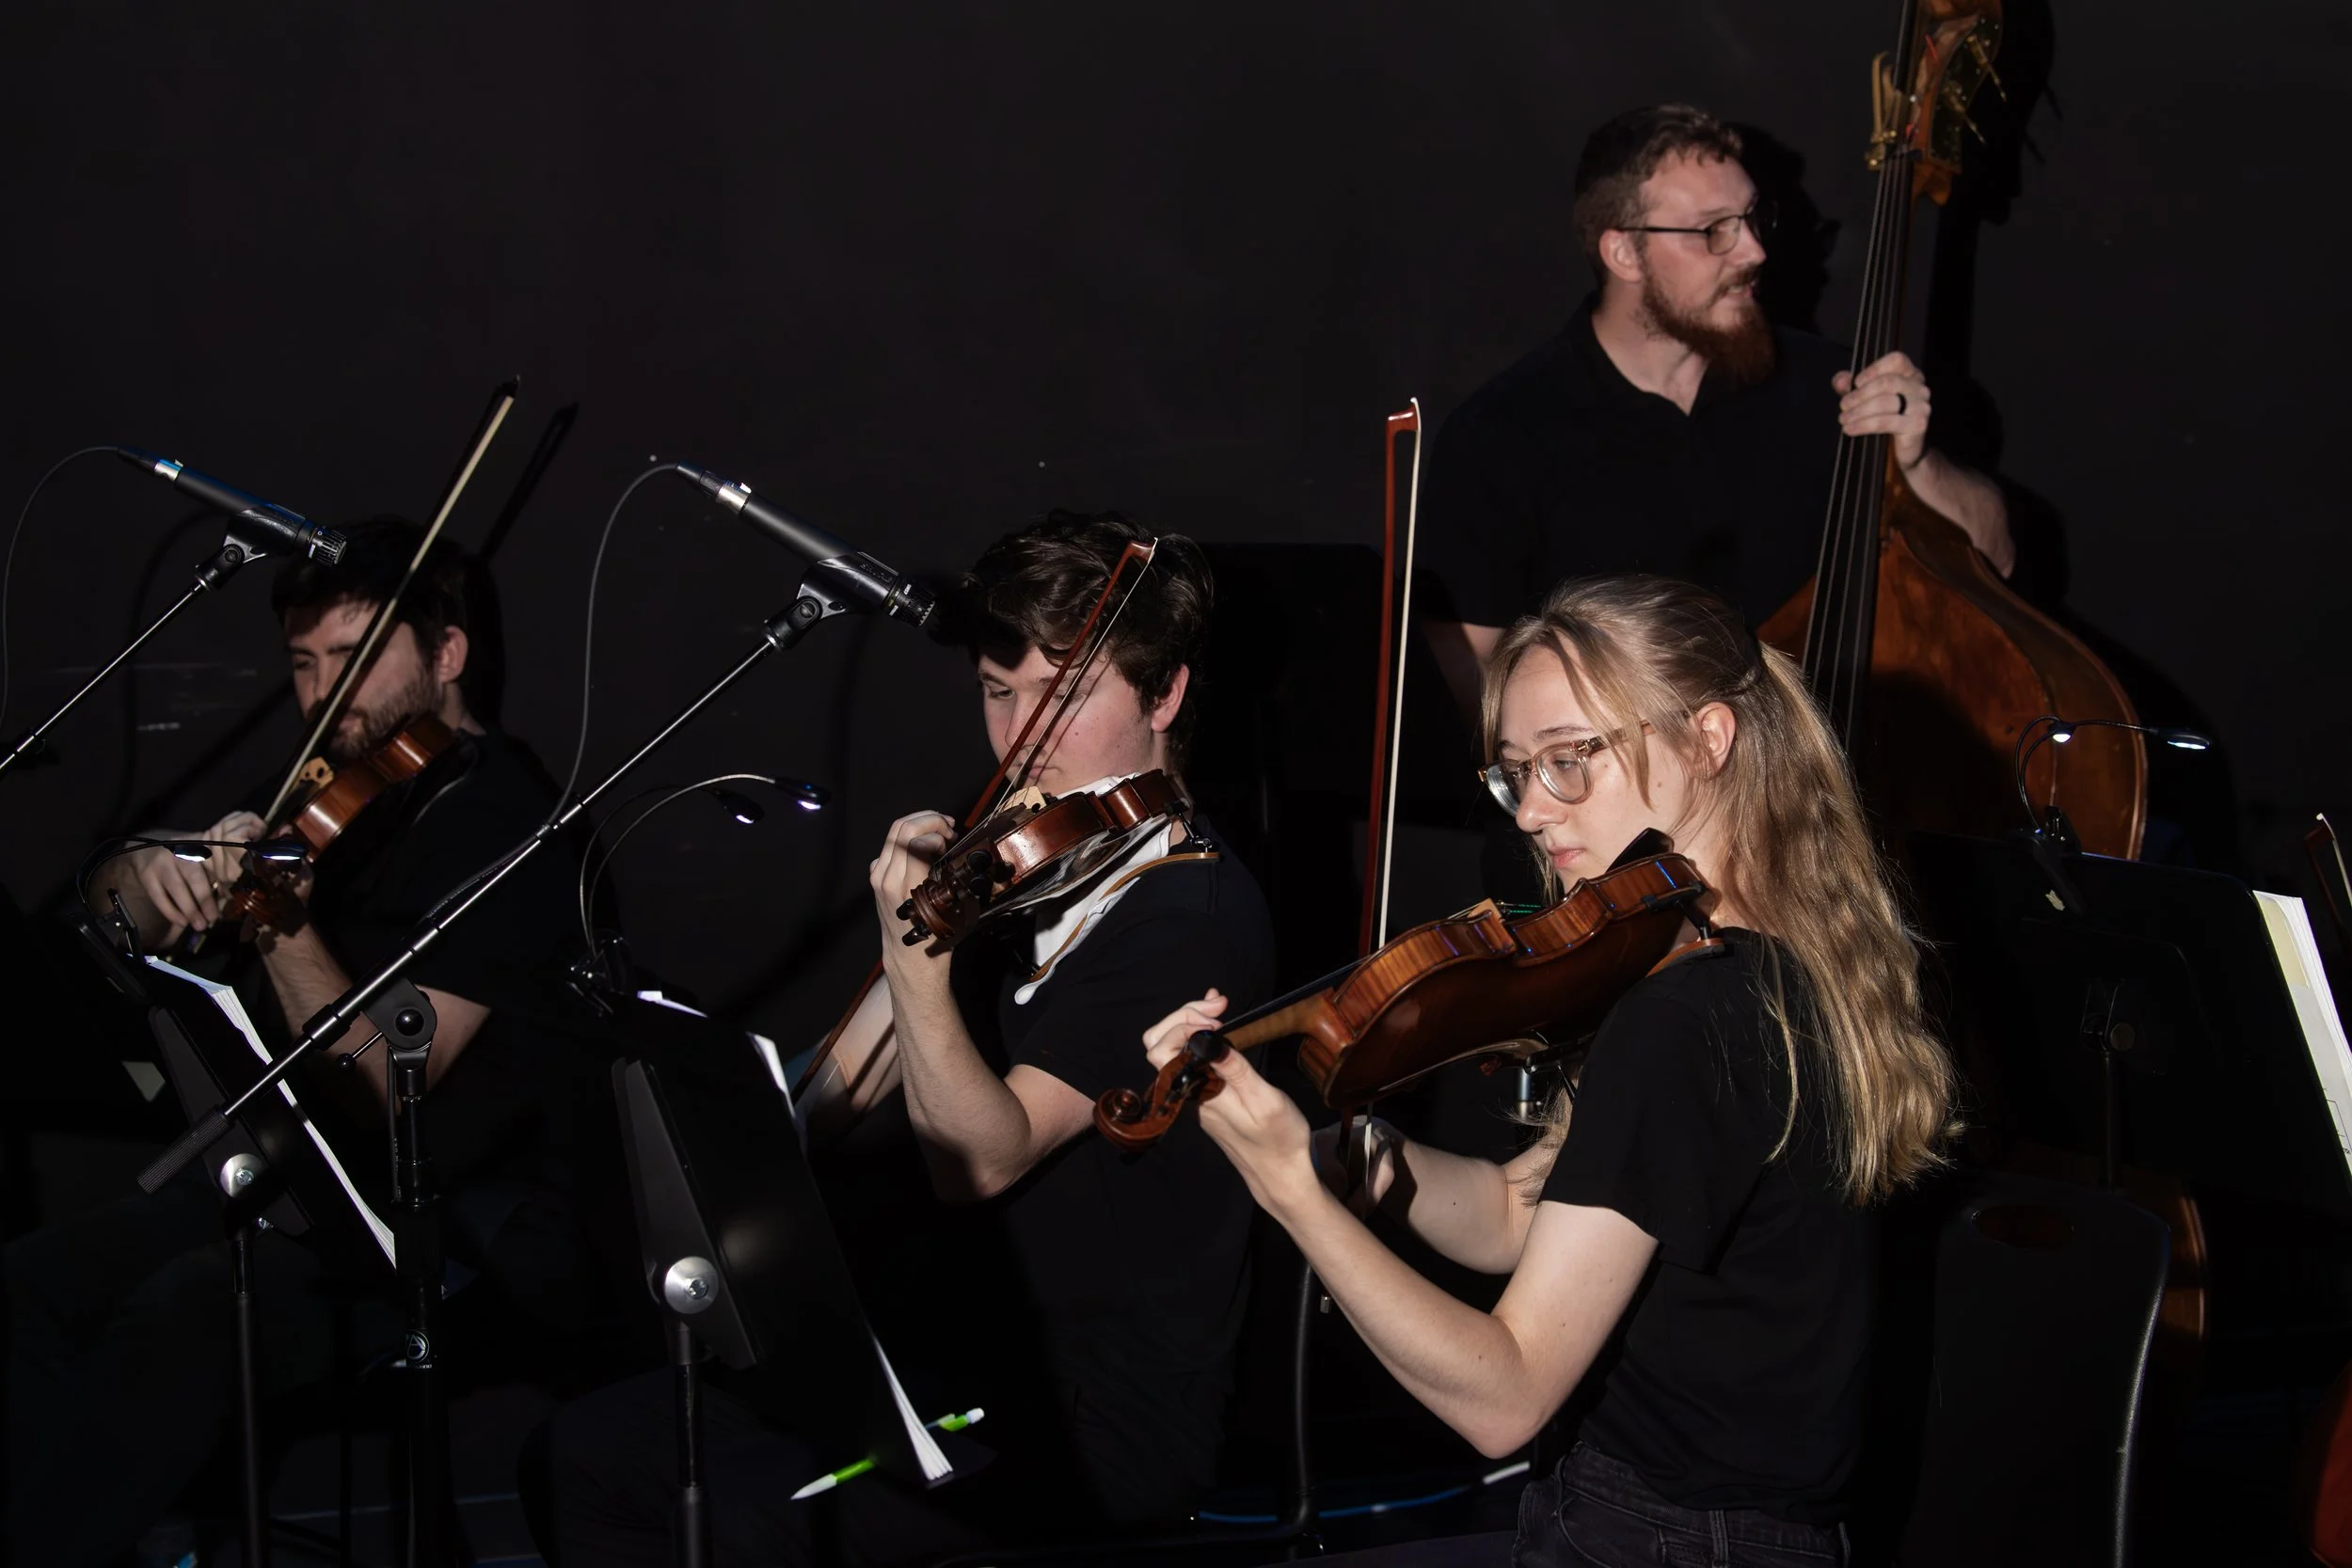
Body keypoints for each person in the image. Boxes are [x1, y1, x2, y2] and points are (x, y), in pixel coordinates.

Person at [1144, 575, 1954, 1564]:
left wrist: (1286, 1192)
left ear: (1706, 738)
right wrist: (1364, 1164)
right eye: (1516, 772)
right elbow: (1517, 1213)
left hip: (1656, 1536)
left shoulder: (1689, 1013)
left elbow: (1507, 1394)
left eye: (1570, 761)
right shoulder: (1769, 967)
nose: (1530, 809)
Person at [529, 512, 1276, 1566]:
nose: (1020, 736)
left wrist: (919, 960)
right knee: (587, 1450)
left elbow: (984, 1156)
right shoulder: (1029, 870)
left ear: (1165, 695)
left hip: (1084, 1416)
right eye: (995, 690)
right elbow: (832, 1097)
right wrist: (765, 1119)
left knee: (747, 1518)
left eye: (1062, 696)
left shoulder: (1186, 917)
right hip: (946, 1363)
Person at [3, 517, 594, 1567]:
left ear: (447, 654)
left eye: (357, 658)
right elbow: (109, 911)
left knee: (183, 1313)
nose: (326, 693)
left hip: (442, 1227)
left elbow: (382, 1086)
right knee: (29, 1284)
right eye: (306, 663)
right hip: (291, 1186)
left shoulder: (513, 827)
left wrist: (278, 919)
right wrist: (145, 873)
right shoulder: (341, 799)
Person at [1421, 103, 2016, 722]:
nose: (1754, 251)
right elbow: (1473, 675)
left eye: (1755, 219)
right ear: (1623, 254)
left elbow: (1994, 558)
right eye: (1714, 231)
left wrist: (1916, 464)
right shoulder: (1501, 435)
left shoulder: (1831, 385)